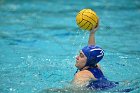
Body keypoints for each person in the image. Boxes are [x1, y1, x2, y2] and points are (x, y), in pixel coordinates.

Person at [72, 22, 118, 90]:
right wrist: (92, 33)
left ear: (89, 60)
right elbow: (92, 52)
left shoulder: (81, 75)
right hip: (115, 86)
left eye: (81, 56)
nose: (77, 57)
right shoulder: (97, 67)